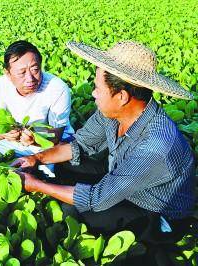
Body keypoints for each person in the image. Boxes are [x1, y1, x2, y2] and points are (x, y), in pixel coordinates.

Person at [12, 41, 196, 250]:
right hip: (122, 180)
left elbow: (99, 198)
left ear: (122, 97)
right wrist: (37, 158)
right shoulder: (111, 113)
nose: (93, 93)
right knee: (65, 164)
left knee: (81, 211)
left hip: (156, 213)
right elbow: (79, 145)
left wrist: (35, 185)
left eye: (98, 88)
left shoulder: (157, 145)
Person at [0, 40, 74, 161]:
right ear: (8, 74)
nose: (30, 78)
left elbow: (55, 135)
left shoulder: (57, 88)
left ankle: (28, 163)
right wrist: (5, 133)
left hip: (48, 144)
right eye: (22, 72)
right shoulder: (1, 84)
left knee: (51, 169)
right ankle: (22, 161)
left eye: (35, 69)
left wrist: (32, 136)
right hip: (16, 141)